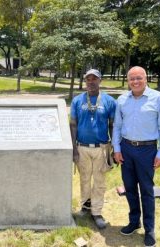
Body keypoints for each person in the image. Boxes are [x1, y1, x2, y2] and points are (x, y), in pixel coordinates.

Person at [112, 66, 160, 247]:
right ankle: (134, 221)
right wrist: (116, 148)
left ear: (146, 79)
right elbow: (117, 126)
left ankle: (149, 229)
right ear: (128, 80)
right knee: (129, 188)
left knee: (146, 190)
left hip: (147, 151)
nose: (135, 82)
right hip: (126, 148)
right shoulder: (122, 100)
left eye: (139, 78)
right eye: (132, 79)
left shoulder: (159, 98)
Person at [70, 69, 116, 229]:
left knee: (99, 181)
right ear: (85, 81)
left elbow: (112, 125)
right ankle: (85, 207)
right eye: (88, 79)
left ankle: (97, 212)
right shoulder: (77, 101)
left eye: (94, 79)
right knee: (84, 179)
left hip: (101, 148)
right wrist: (73, 149)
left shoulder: (110, 101)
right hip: (81, 147)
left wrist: (114, 148)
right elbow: (73, 125)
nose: (91, 82)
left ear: (100, 81)